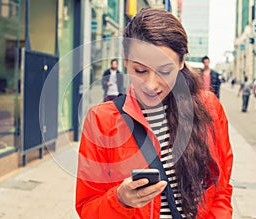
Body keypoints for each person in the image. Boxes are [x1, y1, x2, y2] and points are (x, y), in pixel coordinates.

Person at [76, 8, 233, 219]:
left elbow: (221, 189)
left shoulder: (209, 108)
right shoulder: (101, 120)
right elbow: (87, 208)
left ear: (181, 62)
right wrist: (120, 200)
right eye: (140, 71)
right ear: (125, 62)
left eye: (164, 71)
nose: (151, 85)